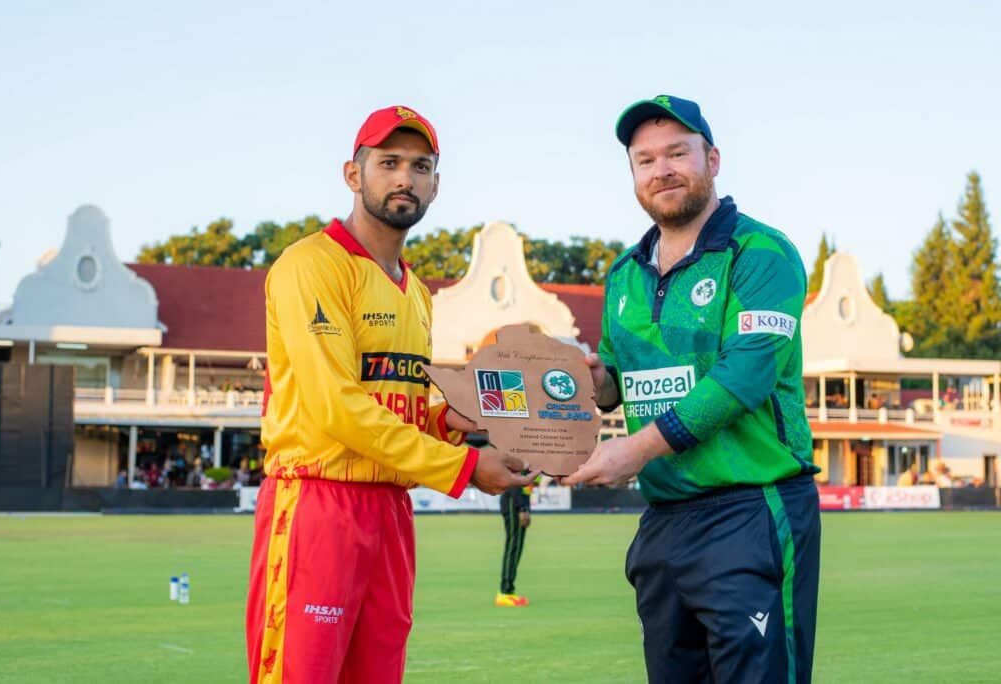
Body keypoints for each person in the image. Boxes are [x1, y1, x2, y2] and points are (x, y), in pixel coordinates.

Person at [245, 105, 535, 684]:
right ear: (354, 175)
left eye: (420, 166)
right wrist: (464, 466)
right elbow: (336, 407)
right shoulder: (310, 266)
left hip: (391, 515)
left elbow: (393, 406)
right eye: (389, 162)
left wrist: (451, 420)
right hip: (317, 505)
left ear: (435, 184)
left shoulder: (417, 292)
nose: (405, 177)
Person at [564, 94, 822, 683]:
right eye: (645, 159)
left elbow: (744, 377)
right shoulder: (625, 272)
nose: (662, 170)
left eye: (677, 153)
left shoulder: (761, 253)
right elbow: (619, 383)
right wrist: (598, 380)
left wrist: (632, 451)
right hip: (664, 520)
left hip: (751, 509)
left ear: (713, 159)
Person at [496, 483, 532, 607]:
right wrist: (522, 508)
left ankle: (508, 591)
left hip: (517, 502)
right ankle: (505, 592)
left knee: (516, 548)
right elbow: (514, 482)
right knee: (513, 547)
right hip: (513, 503)